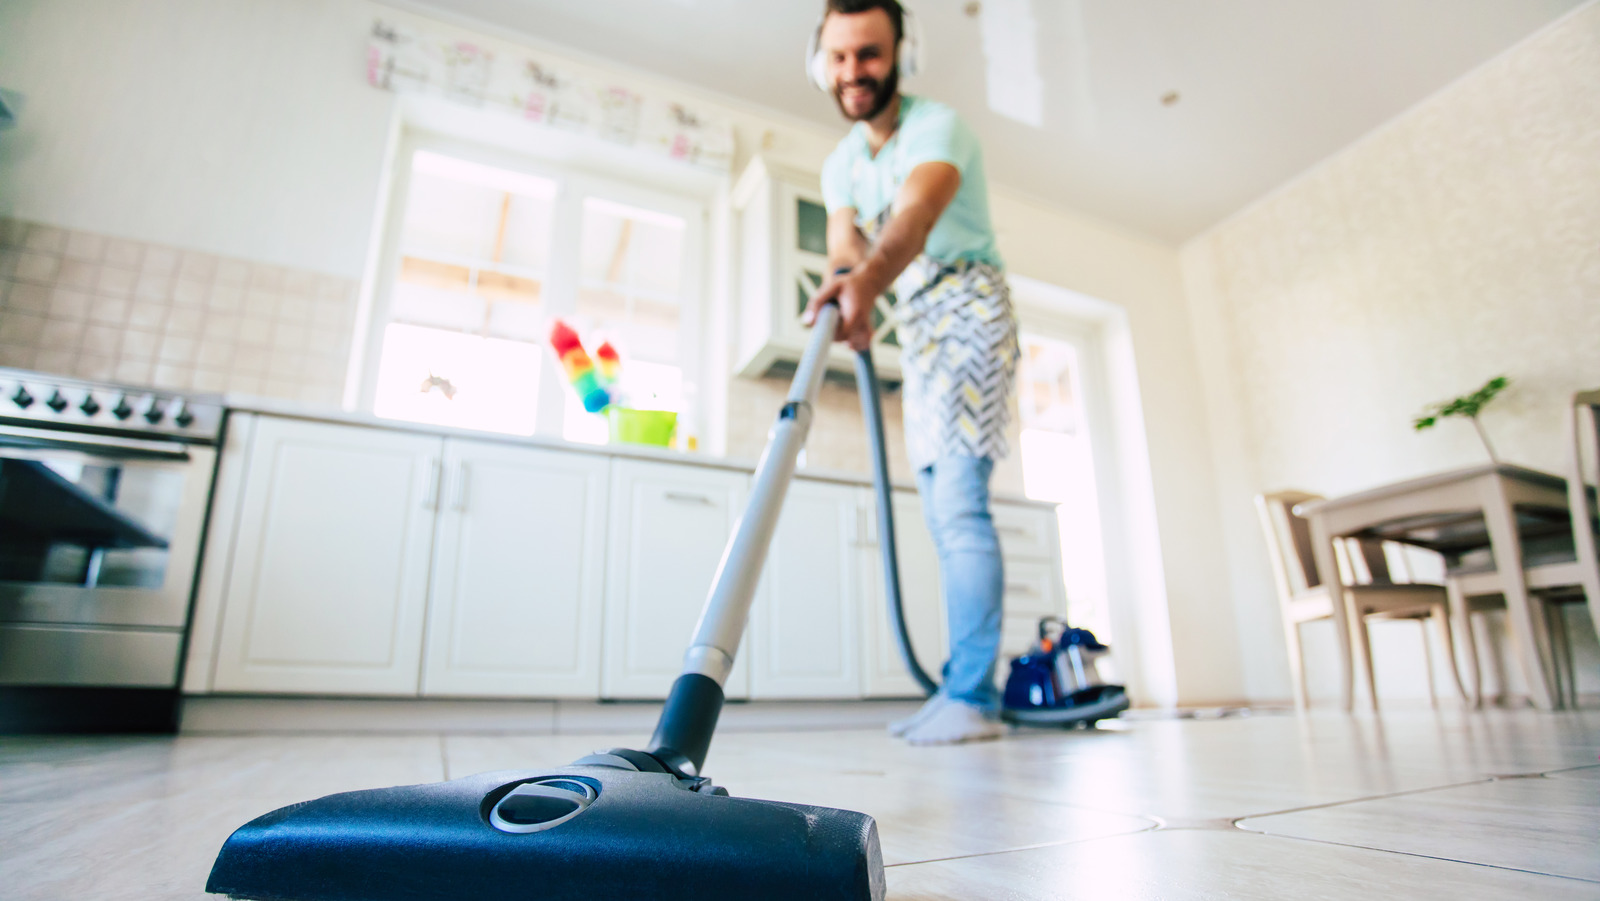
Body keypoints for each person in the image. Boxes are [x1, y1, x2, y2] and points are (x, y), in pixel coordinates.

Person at [802, 0, 1019, 745]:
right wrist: (844, 290)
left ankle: (974, 697)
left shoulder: (937, 128)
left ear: (901, 52)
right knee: (938, 510)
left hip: (969, 306)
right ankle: (958, 688)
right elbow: (842, 245)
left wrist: (865, 284)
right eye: (839, 56)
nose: (852, 72)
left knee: (958, 504)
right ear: (820, 61)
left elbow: (913, 221)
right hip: (920, 327)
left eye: (868, 53)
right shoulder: (841, 164)